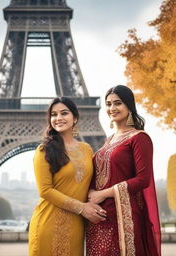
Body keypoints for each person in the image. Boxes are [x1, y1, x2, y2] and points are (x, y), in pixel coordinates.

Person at [86, 85, 161, 256]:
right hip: (97, 219)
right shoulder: (109, 140)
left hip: (123, 218)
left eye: (117, 103)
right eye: (108, 104)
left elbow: (143, 179)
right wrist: (91, 195)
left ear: (129, 105)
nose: (112, 108)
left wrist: (103, 194)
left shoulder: (139, 138)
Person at [29, 97, 106, 256]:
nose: (58, 118)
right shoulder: (44, 150)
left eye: (64, 113)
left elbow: (93, 181)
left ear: (75, 117)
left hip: (76, 226)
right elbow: (45, 190)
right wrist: (82, 207)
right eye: (54, 114)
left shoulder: (86, 149)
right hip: (48, 223)